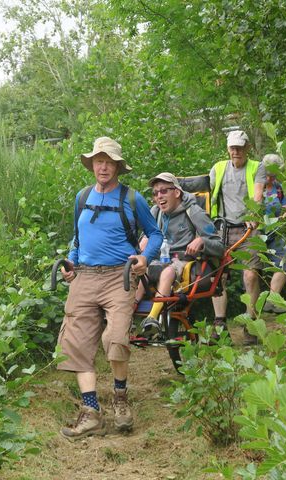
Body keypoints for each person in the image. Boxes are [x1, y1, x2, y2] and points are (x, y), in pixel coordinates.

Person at [57, 136, 163, 440]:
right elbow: (77, 238)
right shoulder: (82, 197)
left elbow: (155, 234)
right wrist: (71, 263)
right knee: (75, 343)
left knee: (116, 339)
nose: (103, 167)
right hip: (85, 277)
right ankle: (91, 413)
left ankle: (120, 400)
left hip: (120, 276)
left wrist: (145, 257)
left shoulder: (132, 198)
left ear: (117, 166)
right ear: (92, 164)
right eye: (98, 161)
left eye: (109, 162)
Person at [135, 172, 225, 335]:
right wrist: (142, 246)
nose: (158, 196)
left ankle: (152, 318)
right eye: (155, 193)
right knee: (136, 270)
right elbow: (143, 243)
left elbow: (219, 246)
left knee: (168, 271)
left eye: (163, 191)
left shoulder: (194, 212)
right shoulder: (155, 212)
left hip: (184, 264)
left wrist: (202, 242)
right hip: (159, 262)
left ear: (176, 192)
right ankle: (127, 314)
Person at [209, 130, 266, 344]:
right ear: (227, 149)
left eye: (240, 147)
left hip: (248, 227)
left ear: (247, 148)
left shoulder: (256, 167)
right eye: (233, 147)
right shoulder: (218, 168)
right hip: (222, 227)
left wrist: (254, 214)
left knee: (250, 276)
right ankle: (220, 324)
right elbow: (208, 195)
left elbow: (258, 194)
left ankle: (251, 323)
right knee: (218, 277)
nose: (236, 151)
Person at [261, 154, 286, 311]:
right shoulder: (254, 187)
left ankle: (273, 299)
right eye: (267, 174)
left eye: (273, 174)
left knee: (285, 260)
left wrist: (285, 215)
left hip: (275, 232)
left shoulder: (279, 188)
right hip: (256, 233)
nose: (270, 178)